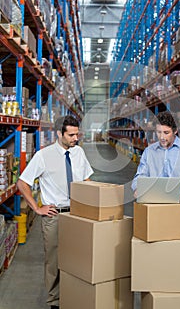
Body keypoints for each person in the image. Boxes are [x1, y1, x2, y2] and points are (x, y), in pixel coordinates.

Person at [17, 115, 94, 309]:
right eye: (71, 135)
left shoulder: (79, 153)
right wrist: (37, 208)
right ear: (59, 134)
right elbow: (22, 182)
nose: (75, 138)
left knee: (79, 256)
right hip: (54, 216)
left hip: (78, 214)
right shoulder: (44, 156)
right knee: (54, 261)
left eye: (77, 134)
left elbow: (86, 181)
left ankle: (75, 296)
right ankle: (55, 302)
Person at [131, 111, 180, 202]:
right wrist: (137, 188)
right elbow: (140, 176)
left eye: (166, 132)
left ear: (175, 131)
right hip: (154, 200)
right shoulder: (149, 151)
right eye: (159, 132)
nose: (162, 137)